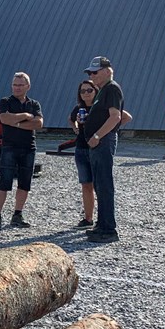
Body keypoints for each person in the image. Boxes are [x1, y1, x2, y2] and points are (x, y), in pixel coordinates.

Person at [0, 72, 42, 230]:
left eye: (20, 85)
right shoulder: (5, 101)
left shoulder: (34, 104)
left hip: (28, 148)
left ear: (28, 86)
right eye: (15, 84)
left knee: (25, 183)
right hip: (9, 147)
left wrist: (17, 122)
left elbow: (39, 123)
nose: (17, 88)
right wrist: (25, 116)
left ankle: (17, 214)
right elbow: (4, 118)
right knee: (4, 181)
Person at [82, 56, 125, 242]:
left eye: (95, 72)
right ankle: (102, 224)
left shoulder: (112, 89)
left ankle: (108, 229)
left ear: (107, 71)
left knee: (104, 185)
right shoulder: (103, 90)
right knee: (99, 184)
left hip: (103, 142)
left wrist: (97, 136)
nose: (92, 75)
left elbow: (115, 117)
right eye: (90, 72)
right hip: (99, 142)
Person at [71, 79, 98, 226]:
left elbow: (123, 116)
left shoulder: (100, 107)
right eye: (83, 91)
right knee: (86, 184)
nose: (86, 93)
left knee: (100, 185)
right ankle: (88, 218)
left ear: (95, 91)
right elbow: (70, 119)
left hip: (97, 149)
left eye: (89, 90)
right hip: (81, 148)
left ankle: (104, 219)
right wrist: (75, 127)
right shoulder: (79, 108)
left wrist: (109, 134)